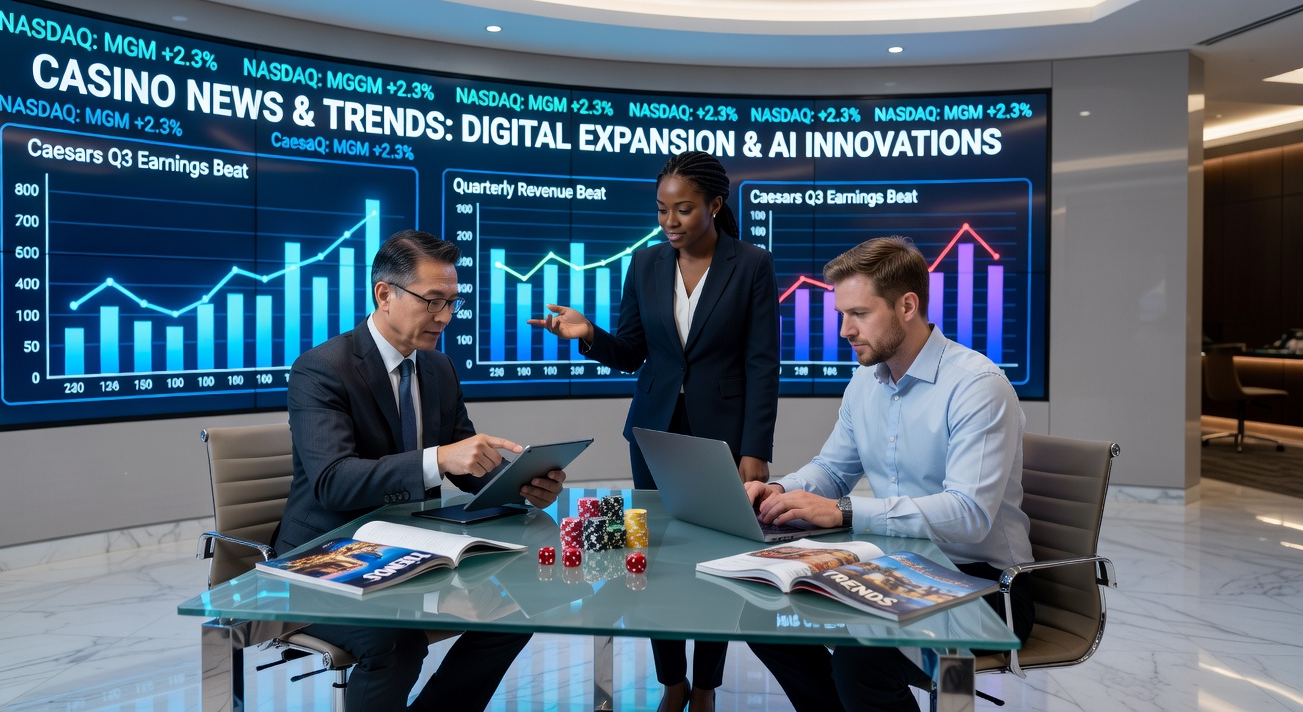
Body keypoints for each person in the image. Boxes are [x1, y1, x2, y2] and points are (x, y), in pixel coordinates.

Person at [278, 229, 567, 712]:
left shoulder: (438, 368)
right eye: (433, 301)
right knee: (395, 644)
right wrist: (439, 458)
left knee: (518, 608)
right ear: (384, 294)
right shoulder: (321, 369)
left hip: (412, 547)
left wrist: (520, 485)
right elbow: (332, 482)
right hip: (329, 552)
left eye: (452, 302)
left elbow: (467, 469)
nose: (446, 317)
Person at [531, 150, 780, 712]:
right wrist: (587, 333)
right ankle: (672, 680)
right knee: (650, 556)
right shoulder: (644, 265)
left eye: (684, 210)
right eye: (663, 210)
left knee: (718, 556)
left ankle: (707, 687)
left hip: (724, 436)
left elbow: (763, 364)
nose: (670, 221)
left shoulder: (751, 265)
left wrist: (755, 452)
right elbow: (631, 353)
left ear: (715, 206)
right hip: (652, 431)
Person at [743, 236, 1035, 712]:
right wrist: (778, 491)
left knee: (862, 665)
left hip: (986, 586)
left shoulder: (978, 386)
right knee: (765, 620)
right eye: (842, 314)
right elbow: (831, 470)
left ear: (907, 305)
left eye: (858, 314)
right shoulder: (865, 382)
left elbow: (969, 515)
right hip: (895, 570)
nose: (844, 330)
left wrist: (843, 513)